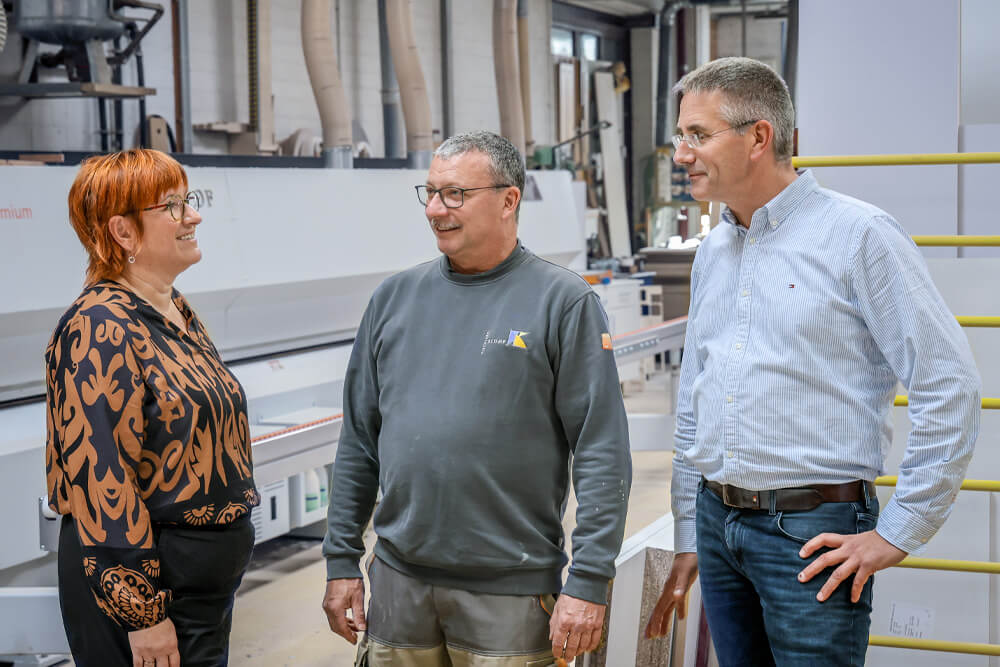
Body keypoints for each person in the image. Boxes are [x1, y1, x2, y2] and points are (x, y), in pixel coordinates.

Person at [644, 57, 981, 665]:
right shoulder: (715, 250)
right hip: (719, 525)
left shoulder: (859, 237)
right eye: (680, 136)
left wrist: (897, 532)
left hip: (811, 536)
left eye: (698, 135)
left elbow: (947, 384)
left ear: (758, 138)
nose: (681, 154)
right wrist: (691, 529)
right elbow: (697, 396)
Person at [321, 131, 632, 665]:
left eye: (456, 194)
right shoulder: (393, 299)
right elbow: (359, 442)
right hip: (399, 585)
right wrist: (341, 560)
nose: (436, 210)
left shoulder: (563, 302)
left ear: (509, 200)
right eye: (431, 193)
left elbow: (602, 449)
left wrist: (588, 580)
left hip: (509, 590)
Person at [46, 149, 260, 667]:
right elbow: (104, 479)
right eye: (173, 206)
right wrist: (141, 615)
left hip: (198, 594)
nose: (194, 216)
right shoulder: (100, 326)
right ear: (123, 232)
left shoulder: (172, 309)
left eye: (188, 201)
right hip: (146, 592)